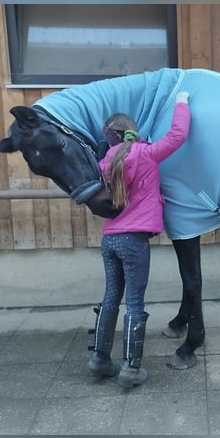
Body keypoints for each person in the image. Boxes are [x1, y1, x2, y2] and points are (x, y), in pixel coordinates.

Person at [88, 91, 191, 388]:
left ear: (109, 138)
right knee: (134, 302)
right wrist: (181, 102)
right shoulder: (146, 153)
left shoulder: (104, 162)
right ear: (130, 130)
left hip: (109, 240)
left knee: (110, 299)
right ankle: (131, 369)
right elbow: (178, 134)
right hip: (134, 241)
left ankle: (99, 358)